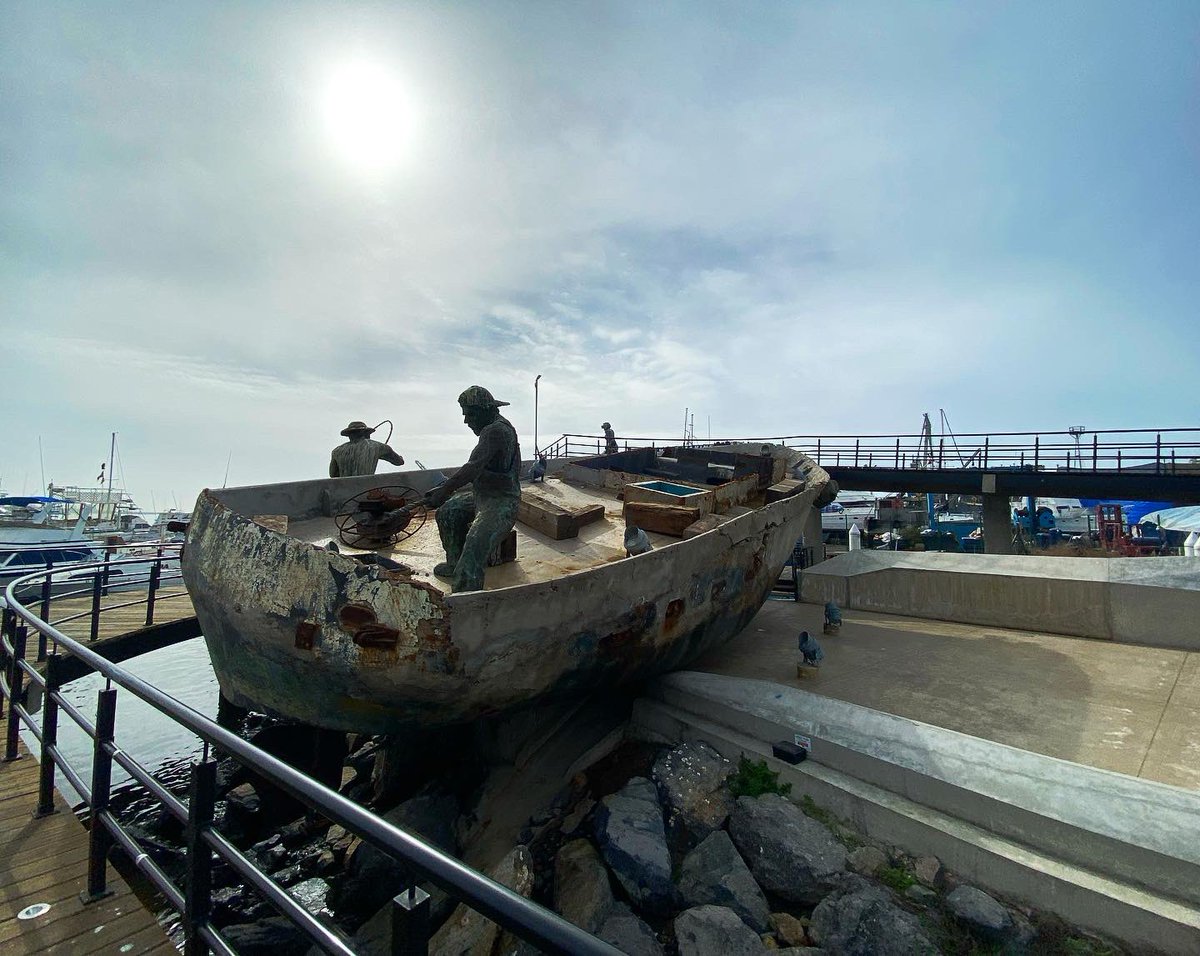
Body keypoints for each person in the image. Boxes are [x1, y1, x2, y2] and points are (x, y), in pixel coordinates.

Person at [385, 386, 521, 593]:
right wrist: (444, 489)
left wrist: (445, 489)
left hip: (501, 500)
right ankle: (454, 563)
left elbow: (472, 467)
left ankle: (466, 594)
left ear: (486, 410)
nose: (466, 421)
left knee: (475, 544)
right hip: (482, 496)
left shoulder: (496, 431)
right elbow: (476, 470)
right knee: (448, 512)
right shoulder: (492, 427)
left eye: (470, 414)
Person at [329, 421, 405, 478]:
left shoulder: (337, 451)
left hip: (345, 490)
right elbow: (399, 462)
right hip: (366, 489)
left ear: (349, 435)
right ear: (366, 433)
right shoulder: (378, 446)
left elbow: (333, 475)